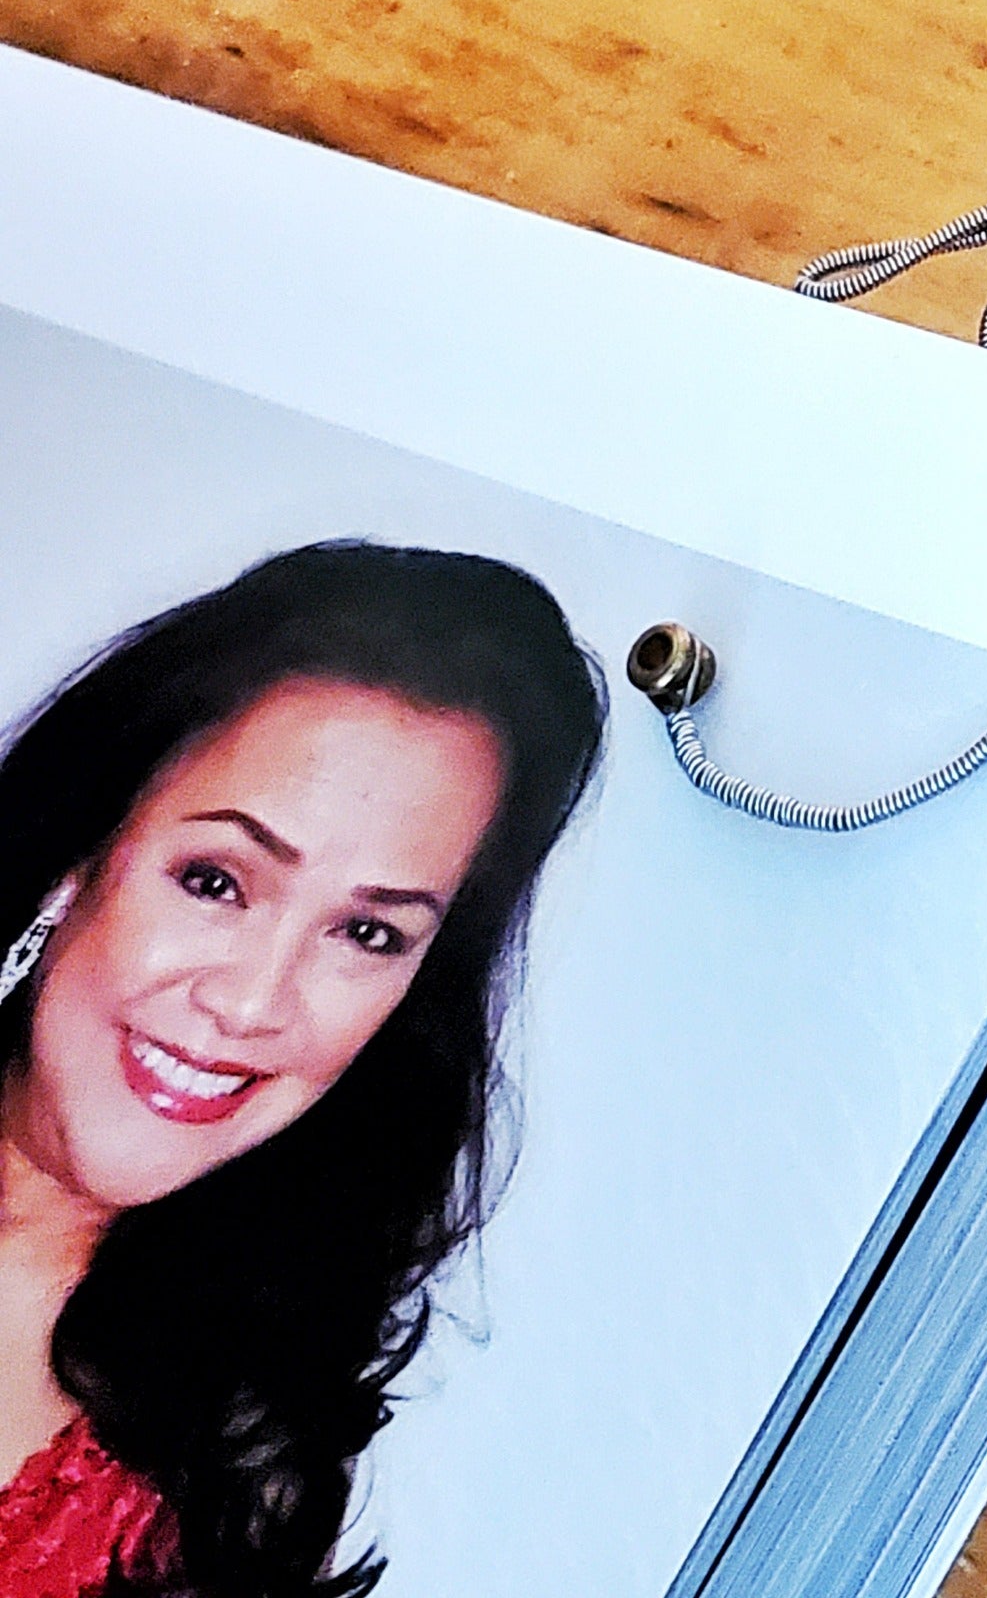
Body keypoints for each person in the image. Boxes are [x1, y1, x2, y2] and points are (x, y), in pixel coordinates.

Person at [0, 542, 606, 1596]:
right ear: (77, 854)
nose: (250, 1003)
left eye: (367, 934)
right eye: (214, 879)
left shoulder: (228, 1465)